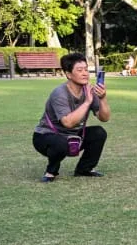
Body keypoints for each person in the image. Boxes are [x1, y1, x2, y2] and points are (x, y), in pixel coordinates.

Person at [33, 52, 111, 182]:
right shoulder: (59, 93)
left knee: (99, 132)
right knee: (60, 143)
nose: (85, 73)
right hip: (46, 136)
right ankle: (51, 171)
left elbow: (104, 118)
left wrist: (102, 98)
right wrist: (87, 102)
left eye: (86, 69)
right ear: (68, 74)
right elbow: (68, 123)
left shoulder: (89, 91)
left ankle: (84, 169)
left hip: (74, 136)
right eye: (79, 70)